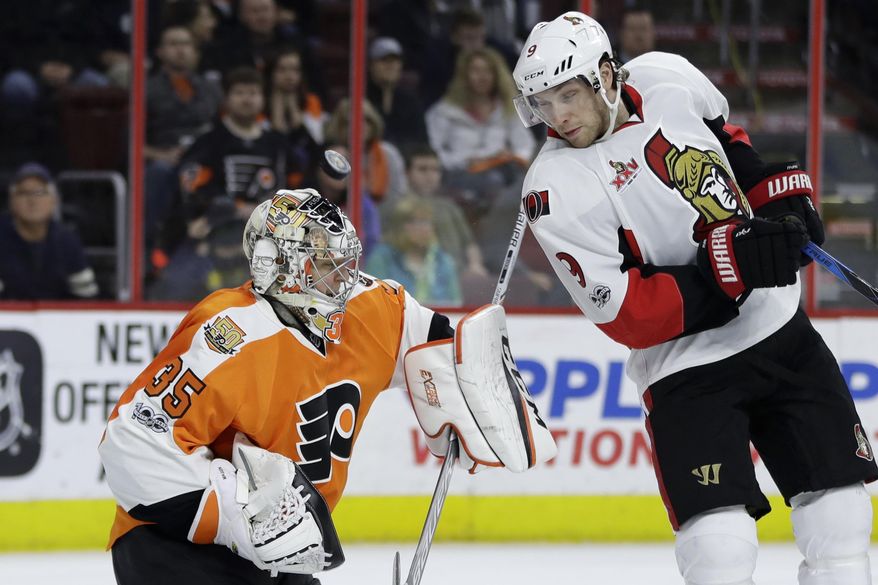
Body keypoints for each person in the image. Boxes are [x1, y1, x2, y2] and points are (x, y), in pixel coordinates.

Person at [511, 11, 876, 585]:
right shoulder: (553, 188)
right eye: (542, 102)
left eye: (568, 95)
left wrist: (776, 201)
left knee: (841, 519)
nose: (557, 116)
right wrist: (730, 268)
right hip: (686, 371)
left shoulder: (666, 75)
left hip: (780, 331)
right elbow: (627, 314)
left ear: (605, 75)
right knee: (718, 550)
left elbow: (728, 145)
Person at [100, 188, 554, 584]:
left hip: (286, 553)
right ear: (276, 265)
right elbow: (133, 443)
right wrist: (236, 517)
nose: (342, 276)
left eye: (343, 259)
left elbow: (437, 344)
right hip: (178, 549)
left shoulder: (370, 306)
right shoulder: (230, 334)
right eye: (322, 262)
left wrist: (480, 384)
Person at [425, 46, 535, 221]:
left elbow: (525, 146)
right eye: (476, 71)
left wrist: (511, 157)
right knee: (491, 182)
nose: (482, 77)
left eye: (488, 71)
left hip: (501, 173)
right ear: (464, 76)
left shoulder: (509, 108)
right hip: (458, 174)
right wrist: (465, 160)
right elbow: (432, 152)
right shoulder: (444, 111)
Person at [0, 162, 98, 300]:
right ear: (12, 201)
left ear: (54, 200)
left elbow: (87, 297)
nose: (32, 200)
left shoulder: (67, 240)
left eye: (40, 193)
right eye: (24, 193)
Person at [367, 197, 462, 307]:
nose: (423, 229)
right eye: (415, 222)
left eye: (427, 222)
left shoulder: (443, 262)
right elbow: (374, 302)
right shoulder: (382, 258)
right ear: (399, 227)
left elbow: (455, 304)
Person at [366, 37, 428, 150]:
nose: (391, 66)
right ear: (371, 65)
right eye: (384, 60)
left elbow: (421, 141)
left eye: (395, 61)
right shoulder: (361, 99)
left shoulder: (411, 101)